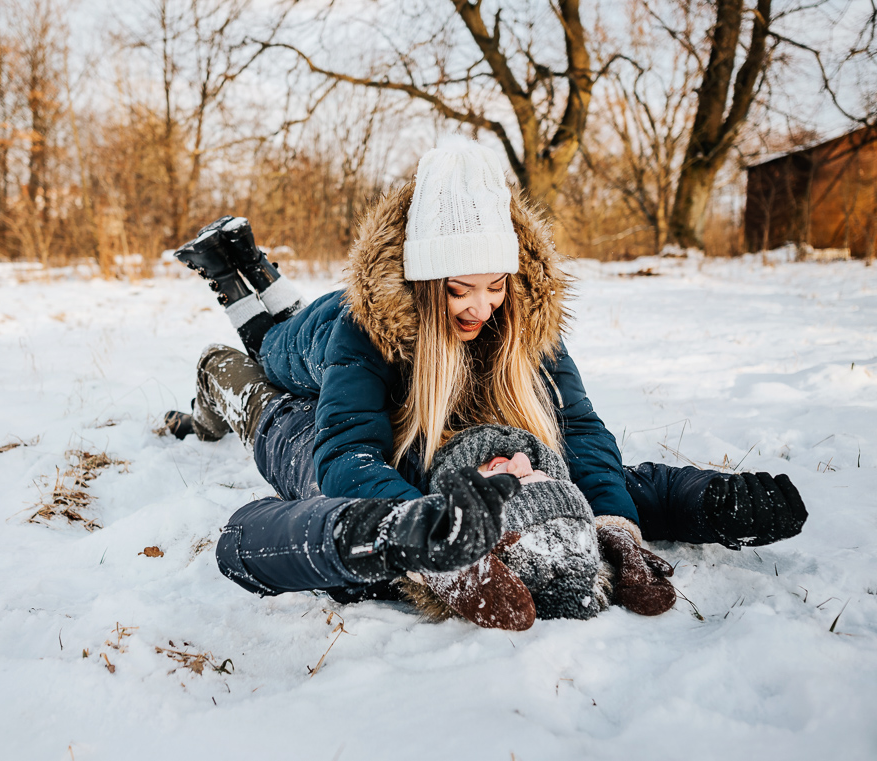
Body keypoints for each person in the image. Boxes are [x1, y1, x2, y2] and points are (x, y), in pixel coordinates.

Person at [162, 137, 807, 624]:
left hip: (316, 398)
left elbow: (329, 468)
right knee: (286, 338)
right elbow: (626, 473)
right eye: (463, 289)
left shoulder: (435, 499)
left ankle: (227, 282)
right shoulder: (400, 325)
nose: (484, 305)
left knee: (261, 374)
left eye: (497, 285)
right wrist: (704, 505)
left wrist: (411, 529)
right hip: (358, 331)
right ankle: (250, 265)